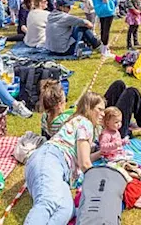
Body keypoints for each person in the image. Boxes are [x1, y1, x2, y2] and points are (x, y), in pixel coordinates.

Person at [23, 91, 105, 225]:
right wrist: (99, 188)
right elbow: (84, 163)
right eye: (100, 109)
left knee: (67, 209)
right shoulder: (85, 122)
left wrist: (101, 153)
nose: (103, 114)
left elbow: (80, 159)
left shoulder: (79, 121)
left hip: (57, 169)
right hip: (51, 159)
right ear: (89, 108)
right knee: (48, 202)